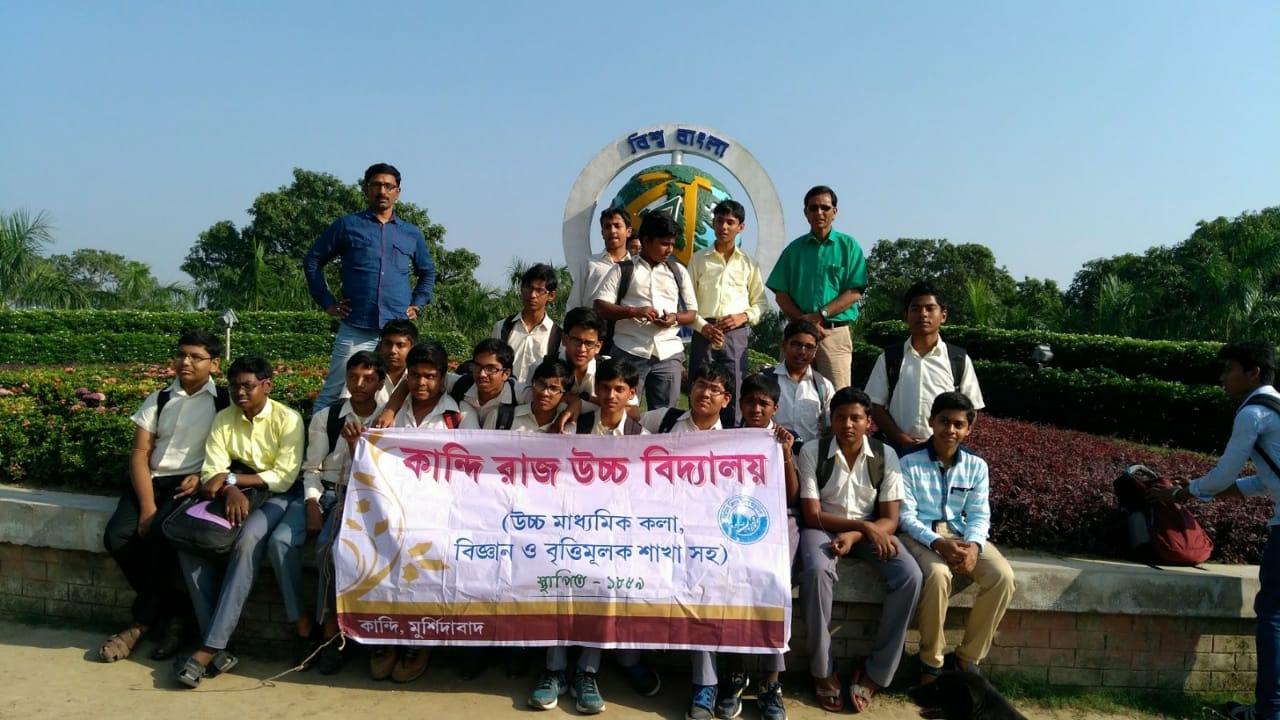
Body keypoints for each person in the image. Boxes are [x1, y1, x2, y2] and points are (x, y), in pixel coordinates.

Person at [1147, 342, 1280, 720]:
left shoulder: (1253, 412)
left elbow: (1224, 473)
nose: (1223, 377)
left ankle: (1270, 711)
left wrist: (1184, 492)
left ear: (1253, 372)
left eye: (1229, 369)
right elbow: (1266, 480)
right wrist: (1207, 491)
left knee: (1273, 615)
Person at [527, 358, 650, 715]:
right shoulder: (572, 425)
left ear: (631, 393)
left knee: (602, 588)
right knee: (556, 582)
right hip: (565, 526)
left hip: (613, 535)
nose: (611, 396)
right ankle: (554, 670)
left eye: (619, 390)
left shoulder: (640, 437)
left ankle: (587, 672)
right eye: (605, 388)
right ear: (596, 390)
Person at [174, 356, 305, 688]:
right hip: (233, 495)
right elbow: (212, 470)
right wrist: (230, 488)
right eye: (234, 386)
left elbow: (284, 477)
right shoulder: (224, 418)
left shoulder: (288, 419)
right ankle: (217, 645)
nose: (240, 392)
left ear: (267, 385)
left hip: (277, 496)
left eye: (248, 385)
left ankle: (208, 648)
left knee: (248, 541)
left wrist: (233, 479)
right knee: (189, 541)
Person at [100, 329, 225, 664]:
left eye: (196, 357)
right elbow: (140, 453)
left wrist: (203, 477)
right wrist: (147, 506)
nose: (186, 362)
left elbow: (233, 449)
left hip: (188, 486)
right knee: (116, 536)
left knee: (158, 536)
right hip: (150, 481)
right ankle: (176, 611)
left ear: (214, 364)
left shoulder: (223, 401)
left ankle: (140, 624)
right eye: (181, 354)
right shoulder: (159, 399)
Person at [798, 387, 921, 713]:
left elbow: (890, 519)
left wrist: (859, 533)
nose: (847, 425)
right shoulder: (812, 451)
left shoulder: (885, 455)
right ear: (831, 420)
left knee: (909, 576)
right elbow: (811, 515)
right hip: (823, 529)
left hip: (870, 532)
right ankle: (822, 670)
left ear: (869, 421)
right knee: (816, 572)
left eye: (855, 418)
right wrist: (861, 528)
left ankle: (876, 672)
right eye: (840, 417)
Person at [373, 341, 479, 684]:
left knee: (427, 563)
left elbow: (473, 471)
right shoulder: (389, 414)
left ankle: (418, 642)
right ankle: (386, 637)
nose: (422, 383)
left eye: (430, 376)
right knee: (380, 559)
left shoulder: (460, 417)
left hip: (439, 512)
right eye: (416, 375)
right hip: (393, 508)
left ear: (443, 378)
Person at [898, 391, 1015, 684]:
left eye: (958, 424)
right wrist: (938, 543)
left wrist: (974, 546)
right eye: (944, 421)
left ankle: (967, 658)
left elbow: (979, 514)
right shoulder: (908, 461)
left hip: (961, 535)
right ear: (931, 422)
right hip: (920, 535)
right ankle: (931, 664)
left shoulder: (976, 466)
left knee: (1002, 577)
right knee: (938, 575)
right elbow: (906, 517)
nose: (950, 429)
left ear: (968, 429)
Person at [302, 162, 436, 413]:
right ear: (366, 189)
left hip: (398, 329)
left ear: (398, 192)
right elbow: (312, 260)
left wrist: (418, 303)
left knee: (407, 389)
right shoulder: (347, 225)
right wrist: (326, 301)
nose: (382, 191)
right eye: (376, 185)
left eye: (388, 186)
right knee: (335, 390)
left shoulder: (411, 233)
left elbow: (427, 271)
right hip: (357, 325)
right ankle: (317, 439)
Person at [290, 350, 387, 675]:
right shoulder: (328, 417)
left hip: (358, 495)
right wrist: (312, 503)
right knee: (280, 544)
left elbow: (378, 475)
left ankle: (329, 630)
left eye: (368, 379)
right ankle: (304, 623)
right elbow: (313, 468)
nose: (359, 384)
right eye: (353, 377)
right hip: (325, 491)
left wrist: (356, 447)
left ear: (380, 383)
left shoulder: (387, 420)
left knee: (330, 551)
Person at [716, 372, 797, 720]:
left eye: (764, 403)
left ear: (775, 407)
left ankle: (771, 681)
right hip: (736, 521)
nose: (756, 409)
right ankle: (734, 672)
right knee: (730, 579)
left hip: (777, 522)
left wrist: (786, 454)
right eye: (750, 402)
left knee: (774, 583)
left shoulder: (785, 441)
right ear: (739, 404)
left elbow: (791, 497)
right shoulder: (727, 438)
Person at [593, 211, 701, 410]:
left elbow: (692, 313)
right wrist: (634, 312)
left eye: (672, 244)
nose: (669, 250)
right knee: (622, 413)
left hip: (668, 352)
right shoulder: (623, 269)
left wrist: (674, 317)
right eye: (664, 244)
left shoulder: (678, 271)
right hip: (628, 350)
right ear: (646, 240)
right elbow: (600, 306)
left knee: (665, 416)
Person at [766, 185, 868, 390]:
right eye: (813, 208)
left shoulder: (848, 247)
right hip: (797, 333)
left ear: (834, 212)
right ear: (805, 213)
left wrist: (820, 315)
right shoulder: (794, 250)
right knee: (786, 391)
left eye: (825, 207)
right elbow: (781, 294)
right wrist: (805, 321)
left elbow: (854, 292)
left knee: (839, 396)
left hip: (833, 335)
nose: (819, 212)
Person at [865, 281, 984, 452]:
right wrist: (904, 441)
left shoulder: (958, 359)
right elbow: (876, 407)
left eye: (930, 308)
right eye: (915, 309)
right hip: (898, 450)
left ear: (943, 316)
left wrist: (942, 440)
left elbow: (971, 409)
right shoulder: (890, 358)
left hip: (943, 451)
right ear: (906, 316)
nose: (923, 314)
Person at [687, 199, 769, 428]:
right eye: (720, 221)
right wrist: (702, 326)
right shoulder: (698, 259)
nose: (724, 227)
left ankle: (732, 438)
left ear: (740, 227)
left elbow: (761, 303)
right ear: (713, 223)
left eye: (730, 222)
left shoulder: (749, 263)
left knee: (734, 387)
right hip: (704, 331)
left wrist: (743, 316)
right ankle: (696, 437)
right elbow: (687, 302)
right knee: (700, 387)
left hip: (735, 333)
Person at [766, 319, 835, 447]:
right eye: (796, 344)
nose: (802, 351)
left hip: (810, 455)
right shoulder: (765, 380)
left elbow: (831, 427)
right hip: (772, 453)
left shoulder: (823, 386)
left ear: (815, 351)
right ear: (784, 345)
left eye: (809, 347)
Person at [494, 263, 562, 384]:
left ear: (551, 296)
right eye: (528, 288)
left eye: (539, 290)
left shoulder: (557, 336)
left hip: (537, 394)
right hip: (504, 393)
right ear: (521, 290)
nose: (532, 295)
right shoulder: (503, 327)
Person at [569, 207, 632, 310]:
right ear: (602, 233)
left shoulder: (636, 266)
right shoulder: (589, 264)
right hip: (592, 319)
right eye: (607, 227)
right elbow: (574, 302)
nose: (612, 231)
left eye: (617, 226)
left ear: (628, 231)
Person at [487, 358, 572, 431]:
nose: (544, 393)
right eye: (540, 384)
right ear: (531, 384)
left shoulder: (568, 427)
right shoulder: (499, 418)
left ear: (565, 395)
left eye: (554, 388)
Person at [375, 319, 418, 406]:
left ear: (413, 348)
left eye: (400, 345)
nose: (392, 351)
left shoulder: (420, 377)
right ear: (380, 345)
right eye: (388, 344)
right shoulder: (367, 373)